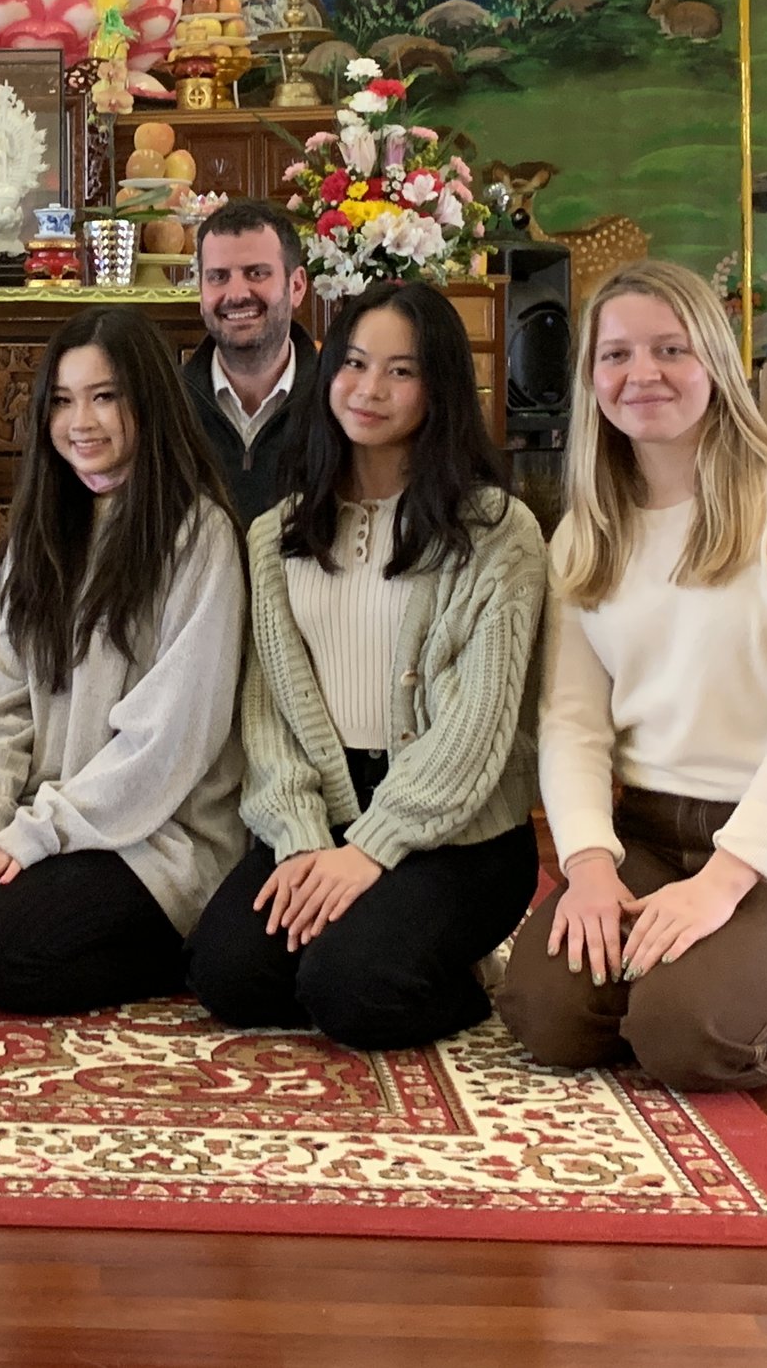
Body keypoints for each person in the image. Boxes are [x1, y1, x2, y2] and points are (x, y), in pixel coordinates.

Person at [497, 261, 767, 1092]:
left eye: (670, 348)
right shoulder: (585, 536)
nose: (642, 374)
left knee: (687, 1030)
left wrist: (723, 881)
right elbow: (571, 725)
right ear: (590, 377)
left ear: (714, 361)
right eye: (617, 355)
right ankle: (696, 974)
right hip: (646, 834)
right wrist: (591, 866)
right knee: (546, 1011)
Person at [185, 281, 545, 1049]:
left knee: (351, 988)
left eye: (401, 371)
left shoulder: (496, 530)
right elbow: (269, 712)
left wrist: (372, 851)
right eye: (352, 362)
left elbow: (478, 729)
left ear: (440, 386)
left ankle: (457, 975)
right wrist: (304, 840)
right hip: (328, 805)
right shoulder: (277, 532)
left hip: (460, 833)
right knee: (230, 973)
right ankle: (369, 938)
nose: (369, 389)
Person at [0, 308, 247, 1014]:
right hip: (48, 814)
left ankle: (183, 945)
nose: (83, 420)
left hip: (155, 831)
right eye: (63, 399)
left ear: (149, 403)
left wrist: (38, 834)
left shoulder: (198, 536)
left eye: (105, 396)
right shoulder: (51, 524)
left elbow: (168, 741)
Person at [182, 197, 321, 525]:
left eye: (256, 273)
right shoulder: (170, 406)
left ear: (297, 285)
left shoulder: (335, 402)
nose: (236, 294)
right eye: (218, 277)